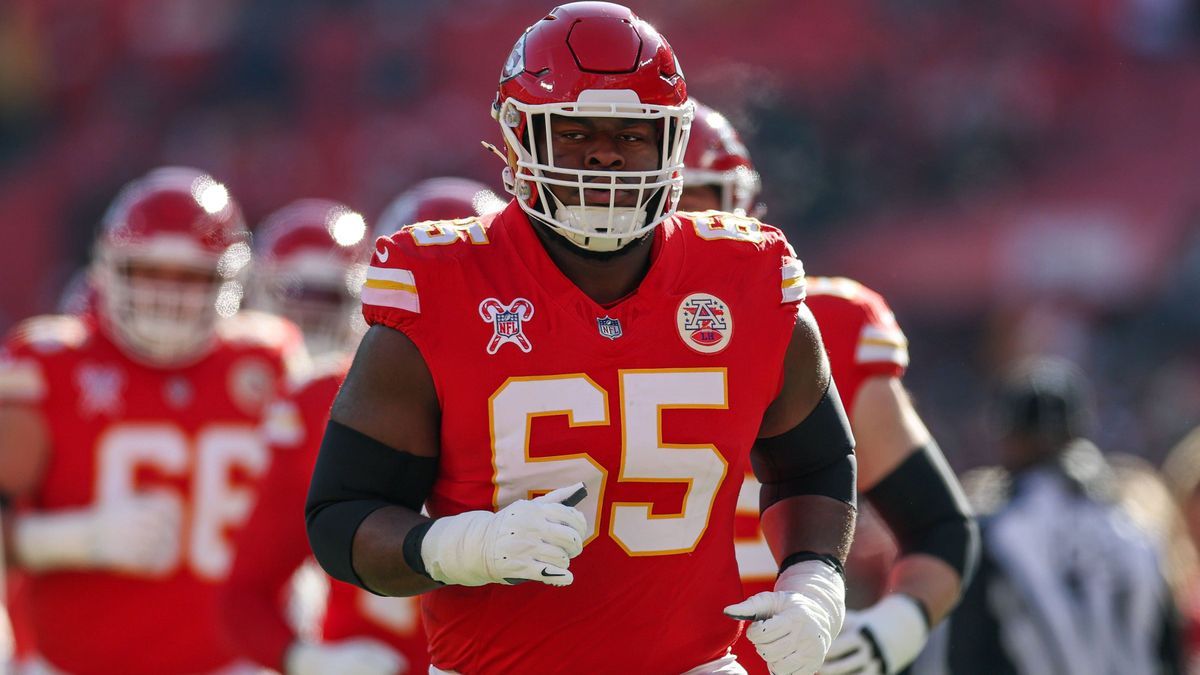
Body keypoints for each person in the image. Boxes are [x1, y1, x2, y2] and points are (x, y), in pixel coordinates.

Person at [305, 4, 857, 674]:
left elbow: (815, 465)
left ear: (672, 144)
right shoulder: (443, 286)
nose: (603, 152)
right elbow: (342, 516)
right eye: (573, 130)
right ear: (517, 138)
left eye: (632, 133)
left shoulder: (746, 279)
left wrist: (815, 579)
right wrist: (460, 546)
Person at [677, 100, 978, 675]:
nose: (692, 234)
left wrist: (890, 633)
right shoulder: (565, 328)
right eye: (669, 214)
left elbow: (937, 525)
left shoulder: (822, 324)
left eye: (702, 207)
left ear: (738, 204)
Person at [0, 167, 304, 675]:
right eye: (147, 272)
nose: (167, 295)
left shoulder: (270, 360)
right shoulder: (47, 362)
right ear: (107, 268)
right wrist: (72, 539)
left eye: (189, 276)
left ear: (228, 278)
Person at [220, 181, 501, 675]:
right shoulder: (319, 401)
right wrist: (310, 660)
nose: (455, 305)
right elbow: (246, 593)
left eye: (479, 286)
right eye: (433, 283)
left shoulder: (563, 392)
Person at [917, 357, 1183, 674]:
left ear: (1009, 436)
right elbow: (1169, 654)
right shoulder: (1135, 530)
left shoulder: (995, 535)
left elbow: (963, 656)